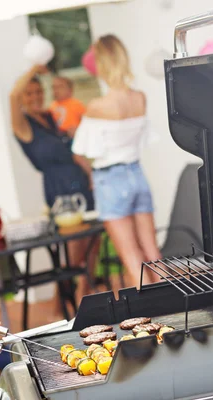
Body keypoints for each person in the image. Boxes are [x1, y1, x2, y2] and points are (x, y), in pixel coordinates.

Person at [73, 34, 163, 288]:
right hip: (137, 175)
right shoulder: (140, 98)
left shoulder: (97, 106)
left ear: (101, 63)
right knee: (153, 253)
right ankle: (179, 315)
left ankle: (156, 320)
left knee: (132, 257)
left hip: (111, 181)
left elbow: (80, 148)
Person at [9, 66, 98, 303]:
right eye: (29, 93)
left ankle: (85, 294)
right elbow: (12, 96)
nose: (35, 96)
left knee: (93, 241)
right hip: (59, 188)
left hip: (80, 180)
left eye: (39, 91)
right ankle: (69, 302)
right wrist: (32, 70)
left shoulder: (52, 116)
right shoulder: (23, 125)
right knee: (74, 248)